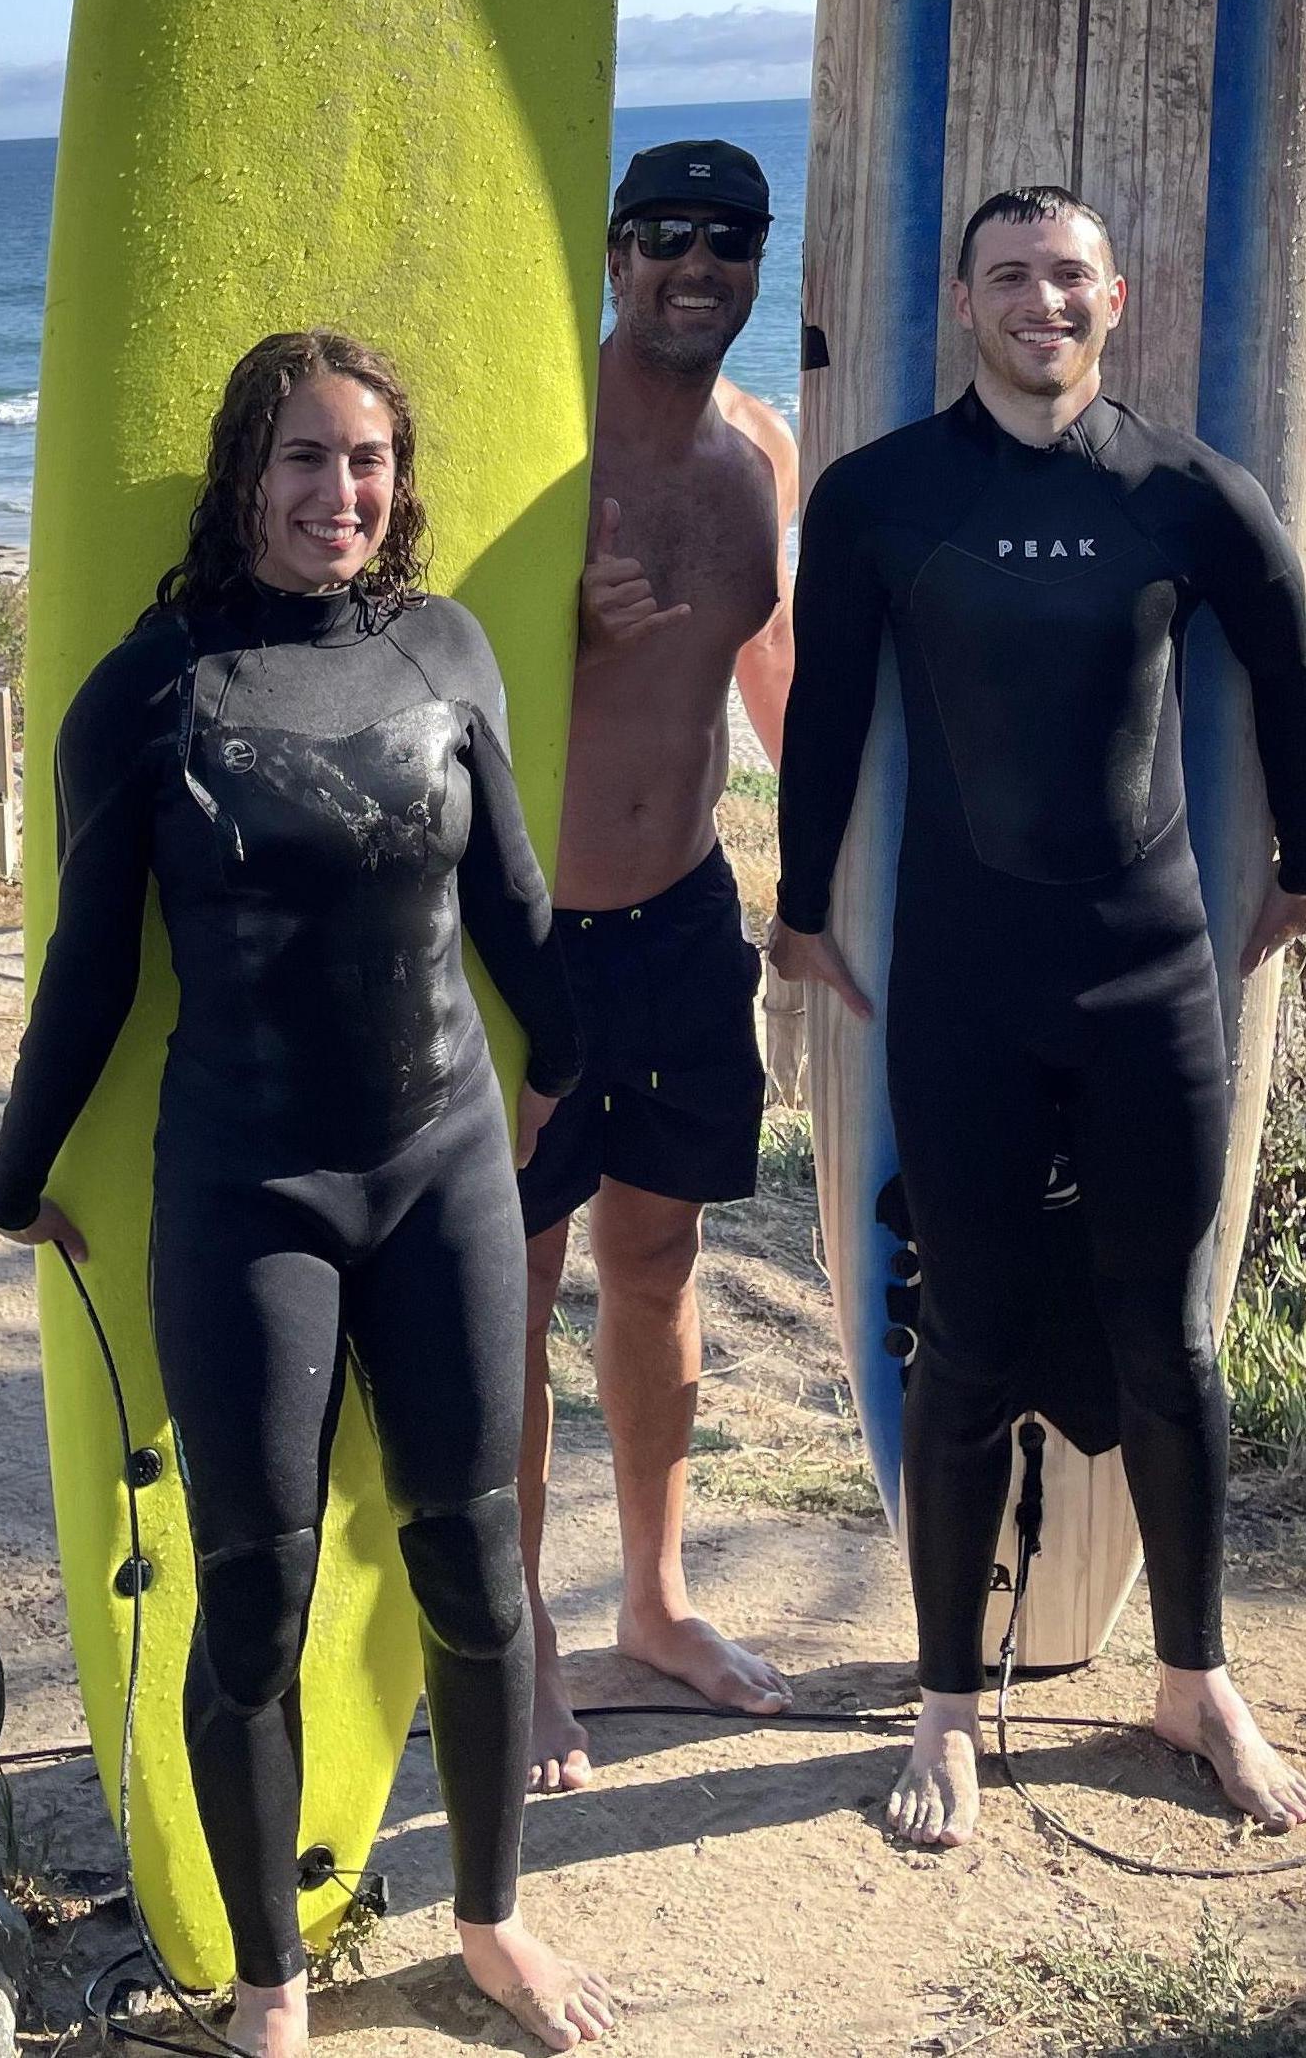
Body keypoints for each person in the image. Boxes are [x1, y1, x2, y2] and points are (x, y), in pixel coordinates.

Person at [0, 331, 613, 2057]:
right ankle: (271, 1987)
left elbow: (513, 901)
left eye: (369, 462)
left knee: (475, 1565)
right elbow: (91, 970)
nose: (342, 495)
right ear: (244, 475)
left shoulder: (445, 650)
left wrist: (568, 1060)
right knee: (247, 1592)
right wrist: (15, 1172)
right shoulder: (153, 691)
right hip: (249, 1185)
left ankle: (489, 1918)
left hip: (439, 1164)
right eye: (306, 461)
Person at [768, 185, 1306, 1853]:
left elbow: (1285, 653)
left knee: (1170, 1343)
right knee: (961, 1349)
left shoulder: (1176, 490)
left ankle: (1193, 1680)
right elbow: (828, 712)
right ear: (961, 303)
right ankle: (945, 1704)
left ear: (1117, 297)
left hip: (1150, 978)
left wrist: (1301, 863)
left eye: (1066, 275)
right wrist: (799, 911)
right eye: (1007, 275)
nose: (1039, 300)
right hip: (960, 985)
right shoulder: (879, 499)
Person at [518, 140, 799, 1794]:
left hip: (687, 917)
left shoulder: (759, 452)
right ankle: (524, 1644)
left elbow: (778, 690)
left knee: (654, 1264)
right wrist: (559, 628)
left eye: (730, 242)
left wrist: (837, 893)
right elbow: (430, 665)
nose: (697, 265)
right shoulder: (541, 443)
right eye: (665, 239)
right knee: (510, 1293)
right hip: (531, 931)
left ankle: (654, 1600)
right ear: (614, 256)